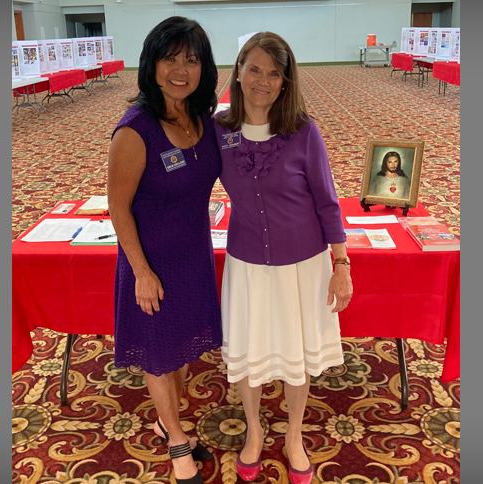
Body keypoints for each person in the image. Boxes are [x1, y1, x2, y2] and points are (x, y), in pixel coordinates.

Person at [214, 32, 353, 484]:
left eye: (274, 73)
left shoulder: (303, 131)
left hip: (303, 263)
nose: (263, 80)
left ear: (285, 80)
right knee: (250, 350)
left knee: (296, 352)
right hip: (248, 262)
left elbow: (328, 201)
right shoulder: (219, 130)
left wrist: (342, 265)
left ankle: (293, 434)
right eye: (254, 69)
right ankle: (254, 431)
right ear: (238, 71)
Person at [106, 16, 221, 484]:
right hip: (150, 261)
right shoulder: (135, 129)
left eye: (190, 60)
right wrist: (141, 272)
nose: (180, 69)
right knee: (158, 352)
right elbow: (118, 208)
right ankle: (176, 439)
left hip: (192, 256)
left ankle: (166, 418)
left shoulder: (202, 120)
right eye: (169, 58)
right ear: (151, 63)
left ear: (203, 68)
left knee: (180, 352)